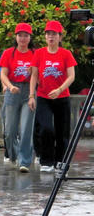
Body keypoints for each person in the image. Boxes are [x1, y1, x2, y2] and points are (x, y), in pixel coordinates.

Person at [32, 19, 77, 174]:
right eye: (48, 34)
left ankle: (60, 161)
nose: (51, 37)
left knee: (62, 132)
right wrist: (31, 95)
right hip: (43, 97)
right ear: (45, 37)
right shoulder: (39, 53)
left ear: (60, 37)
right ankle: (46, 160)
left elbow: (71, 76)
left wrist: (59, 89)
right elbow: (34, 76)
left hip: (62, 97)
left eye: (54, 34)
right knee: (45, 128)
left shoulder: (66, 54)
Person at [0, 23, 39, 172]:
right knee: (9, 131)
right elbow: (2, 74)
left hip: (29, 90)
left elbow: (38, 77)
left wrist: (32, 94)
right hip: (12, 90)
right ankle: (14, 155)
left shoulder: (35, 53)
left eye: (26, 35)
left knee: (26, 129)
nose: (23, 38)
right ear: (16, 37)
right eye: (20, 35)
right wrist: (9, 86)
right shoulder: (9, 53)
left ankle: (24, 161)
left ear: (30, 38)